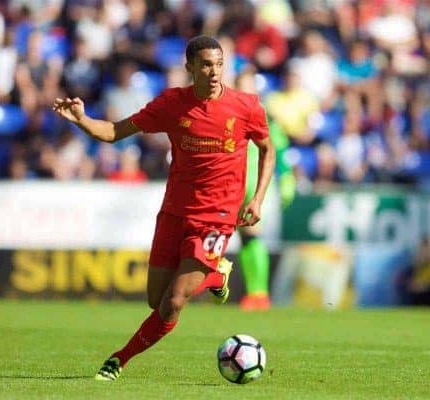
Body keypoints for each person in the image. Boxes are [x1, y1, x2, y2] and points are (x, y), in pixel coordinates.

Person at [52, 35, 275, 382]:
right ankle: (218, 274)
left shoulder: (246, 106)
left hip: (217, 217)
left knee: (173, 301)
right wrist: (83, 120)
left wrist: (257, 197)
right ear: (189, 67)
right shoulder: (172, 103)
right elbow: (113, 131)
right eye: (205, 65)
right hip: (174, 212)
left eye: (218, 64)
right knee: (155, 300)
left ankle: (118, 359)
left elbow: (267, 148)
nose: (214, 72)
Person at [234, 66, 295, 311]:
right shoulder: (228, 116)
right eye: (242, 85)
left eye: (250, 85)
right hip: (232, 186)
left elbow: (278, 152)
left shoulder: (265, 117)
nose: (247, 90)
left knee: (253, 236)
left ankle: (260, 294)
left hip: (257, 186)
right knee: (245, 240)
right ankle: (254, 292)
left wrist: (287, 179)